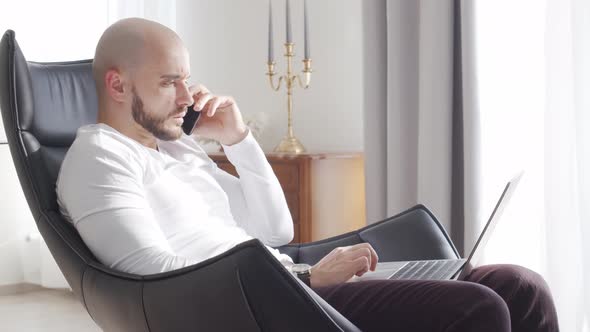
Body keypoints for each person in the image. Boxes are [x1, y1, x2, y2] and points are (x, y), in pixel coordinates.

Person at [56, 18, 559, 332]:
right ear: (118, 85)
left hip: (286, 286)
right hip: (260, 309)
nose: (188, 98)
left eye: (187, 80)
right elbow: (158, 274)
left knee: (521, 286)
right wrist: (307, 277)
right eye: (170, 83)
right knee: (480, 309)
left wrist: (238, 139)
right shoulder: (100, 158)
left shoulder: (178, 149)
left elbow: (276, 231)